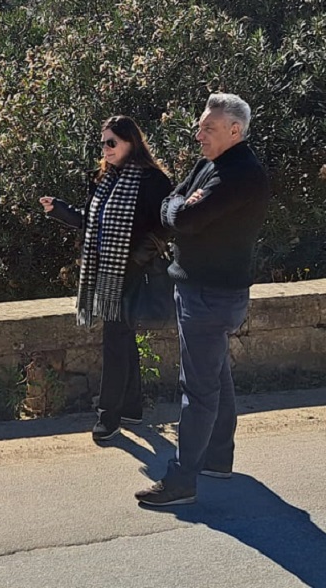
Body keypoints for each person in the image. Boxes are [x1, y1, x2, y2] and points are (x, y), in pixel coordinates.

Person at [135, 93, 270, 507]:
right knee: (215, 376)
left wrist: (181, 208)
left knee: (198, 389)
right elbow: (170, 205)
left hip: (212, 294)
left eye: (208, 128)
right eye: (200, 126)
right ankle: (217, 458)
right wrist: (181, 206)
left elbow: (186, 218)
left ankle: (182, 482)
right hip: (198, 289)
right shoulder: (212, 165)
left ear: (235, 130)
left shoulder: (241, 175)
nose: (198, 135)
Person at [41, 115, 172, 442]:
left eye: (111, 142)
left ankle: (108, 417)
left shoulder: (153, 180)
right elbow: (90, 221)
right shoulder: (103, 177)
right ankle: (131, 408)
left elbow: (165, 227)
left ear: (131, 142)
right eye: (103, 142)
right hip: (106, 271)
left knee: (115, 341)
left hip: (133, 272)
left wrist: (136, 258)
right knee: (122, 339)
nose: (106, 148)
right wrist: (57, 209)